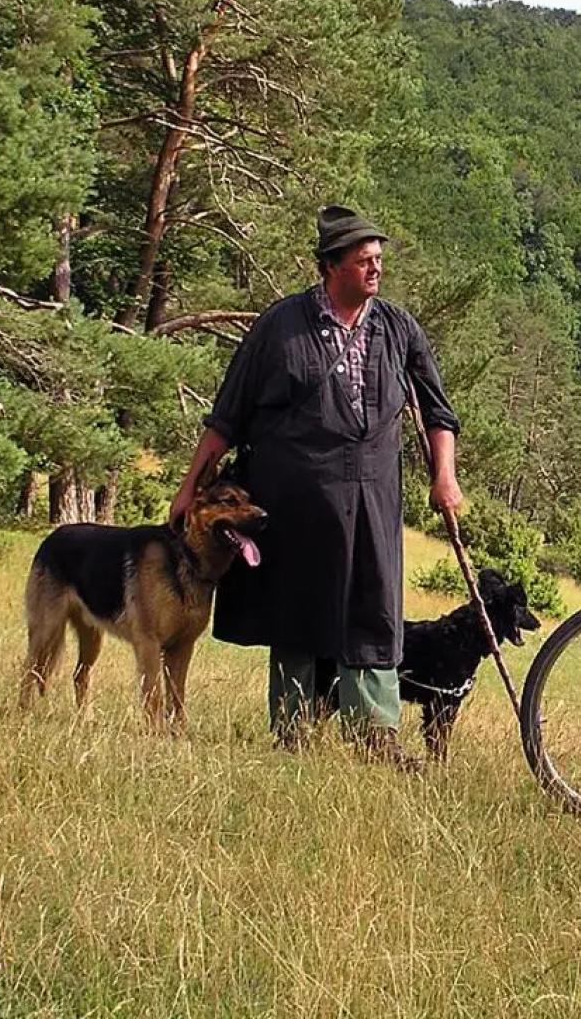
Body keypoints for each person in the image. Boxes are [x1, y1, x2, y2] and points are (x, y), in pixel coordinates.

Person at [169, 205, 463, 767]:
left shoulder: (398, 328)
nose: (376, 270)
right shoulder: (281, 326)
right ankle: (295, 731)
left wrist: (443, 477)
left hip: (373, 493)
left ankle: (375, 734)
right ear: (330, 267)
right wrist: (190, 489)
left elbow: (437, 412)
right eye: (363, 261)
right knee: (298, 609)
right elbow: (226, 418)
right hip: (294, 496)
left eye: (379, 260)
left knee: (373, 607)